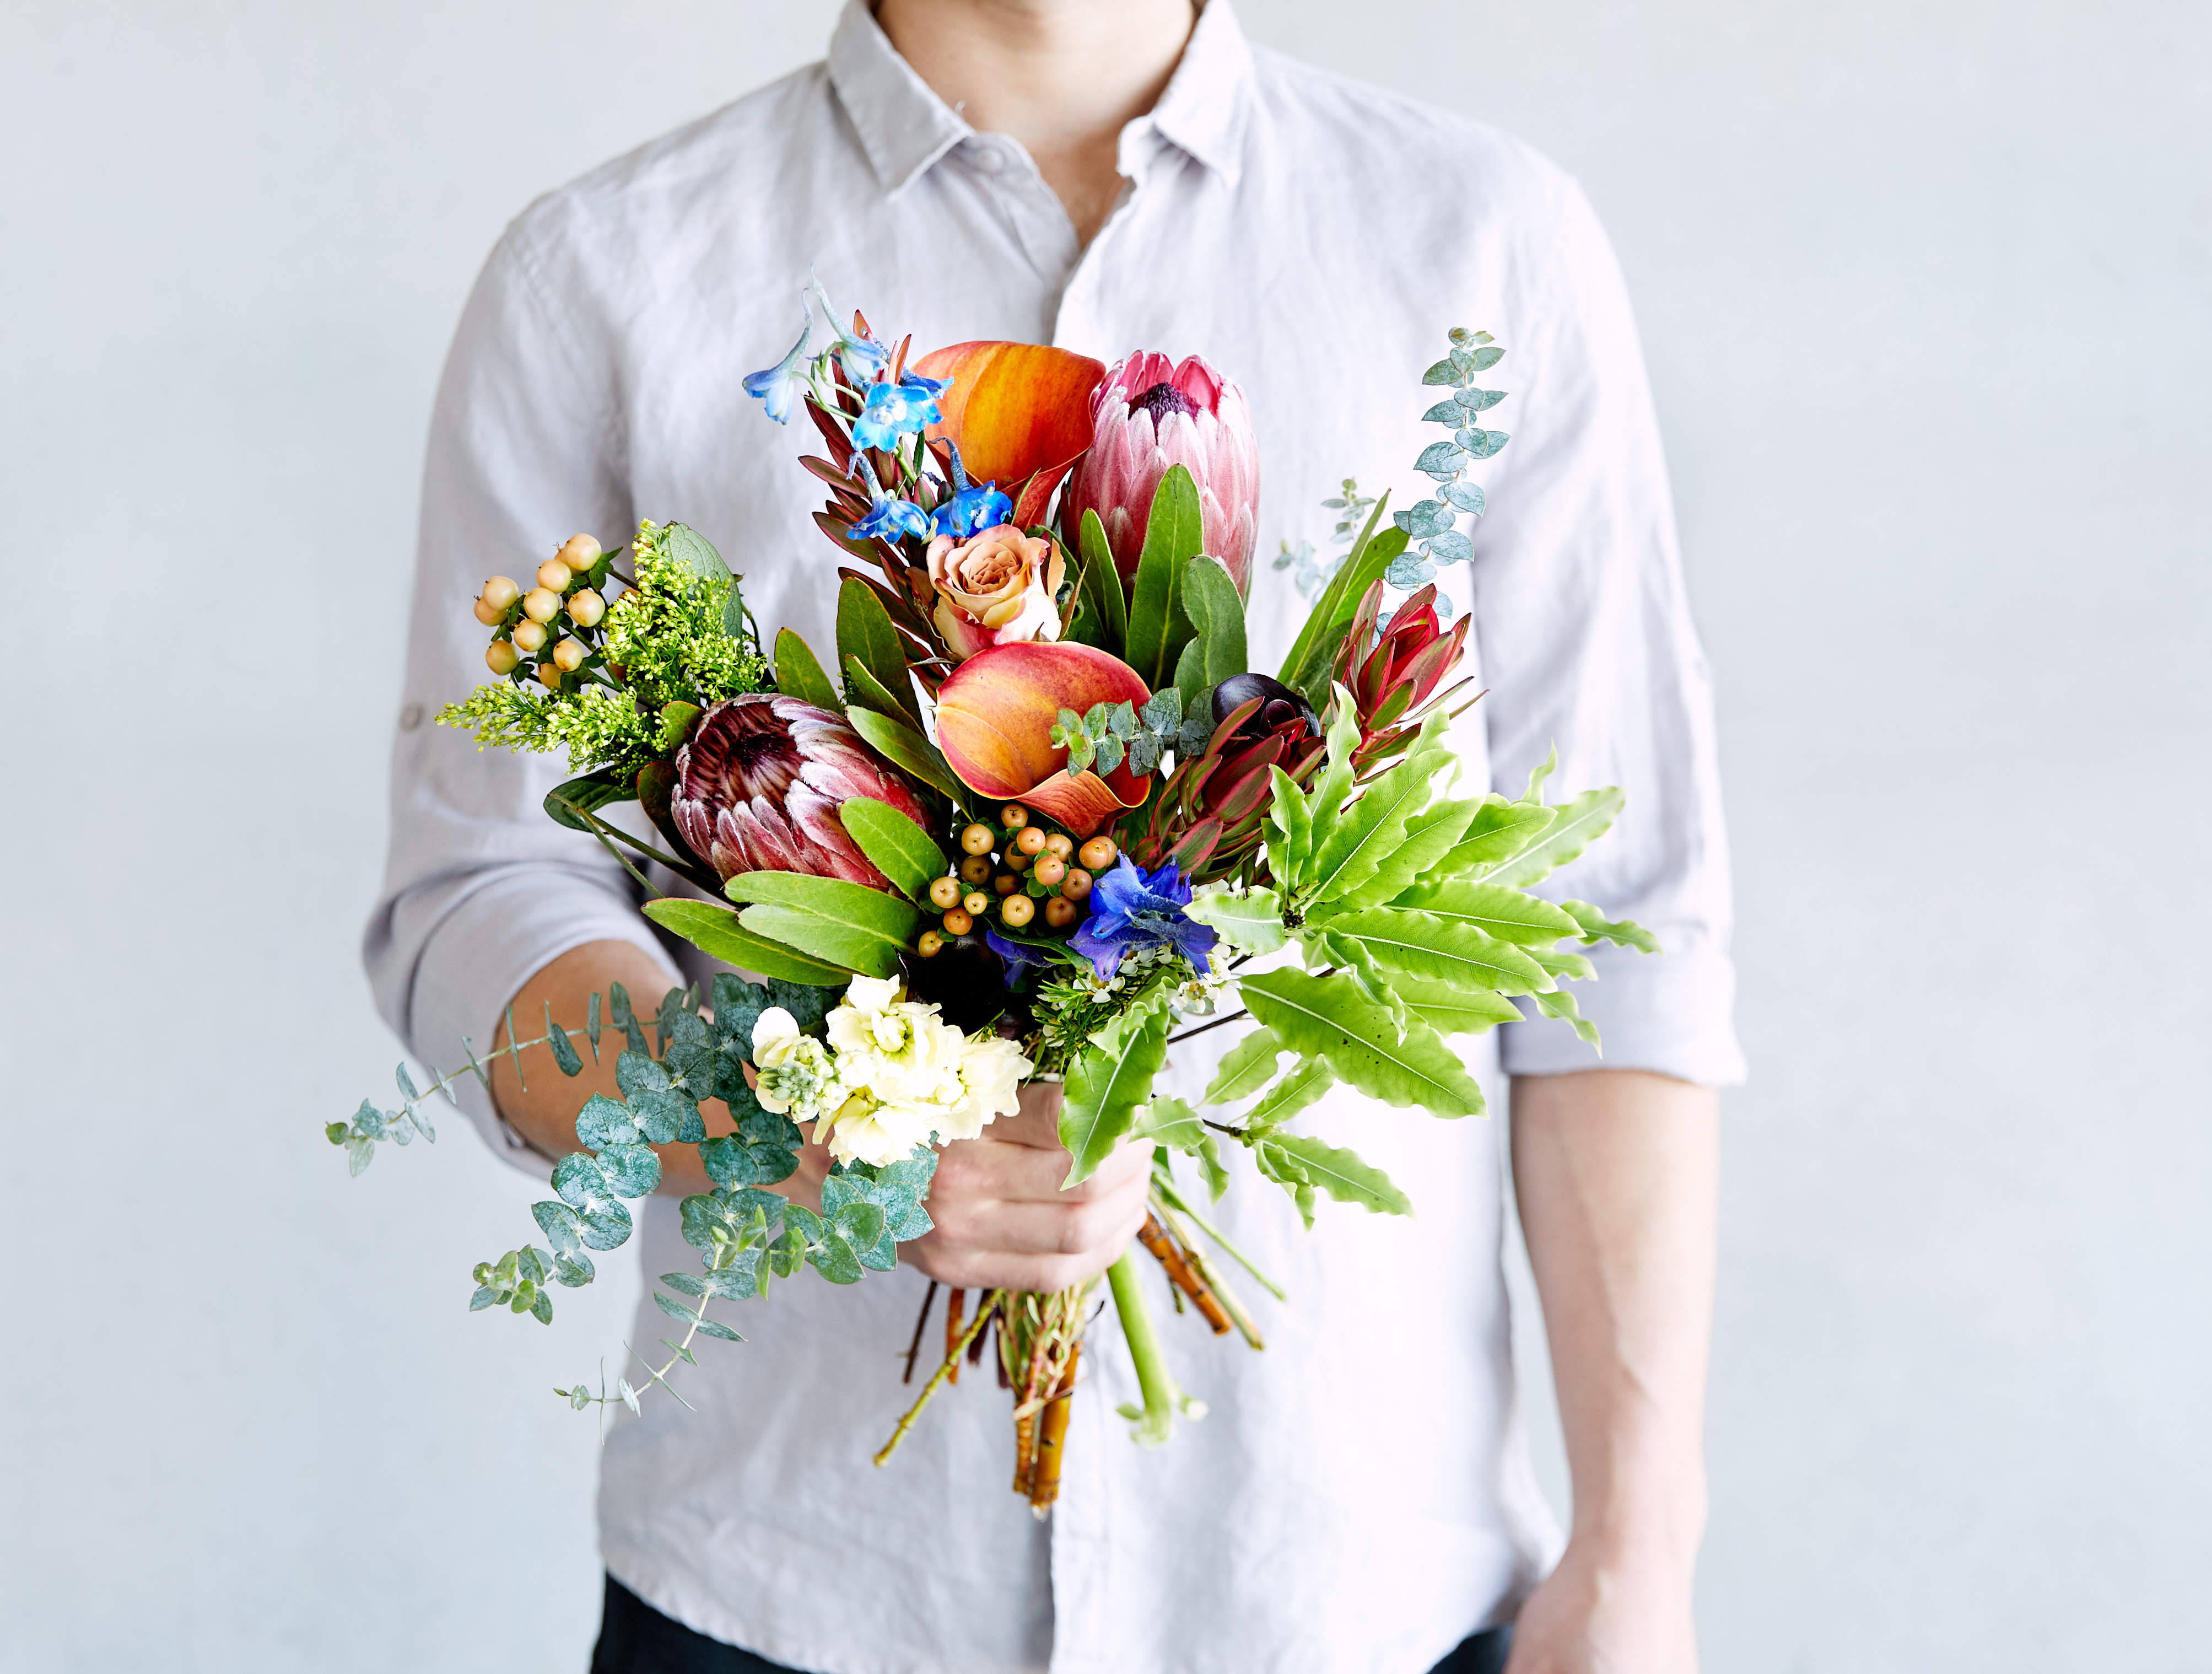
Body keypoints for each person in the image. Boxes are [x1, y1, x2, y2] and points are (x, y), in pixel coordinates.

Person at [363, 1, 1742, 1669]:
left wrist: (1638, 1551)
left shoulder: (1479, 240)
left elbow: (1610, 928)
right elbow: (477, 894)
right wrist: (776, 1109)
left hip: (1356, 1578)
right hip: (791, 1584)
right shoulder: (605, 273)